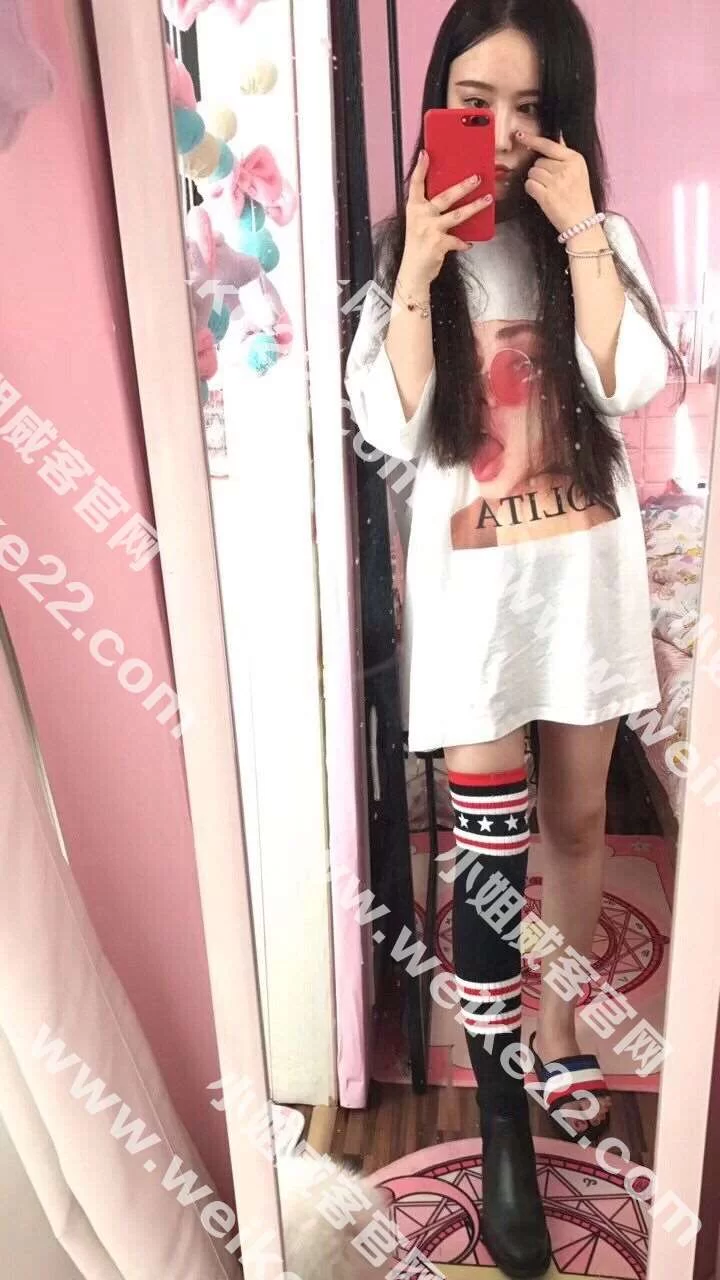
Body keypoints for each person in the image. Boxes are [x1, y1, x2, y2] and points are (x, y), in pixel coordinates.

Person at [345, 1, 685, 1276]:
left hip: (582, 596)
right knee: (489, 862)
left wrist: (586, 227)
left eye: (533, 109)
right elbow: (385, 420)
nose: (501, 136)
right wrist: (419, 269)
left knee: (582, 825)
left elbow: (632, 381)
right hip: (479, 618)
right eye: (475, 104)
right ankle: (499, 1109)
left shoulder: (600, 239)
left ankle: (561, 1031)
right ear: (438, 104)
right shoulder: (409, 255)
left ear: (567, 119)